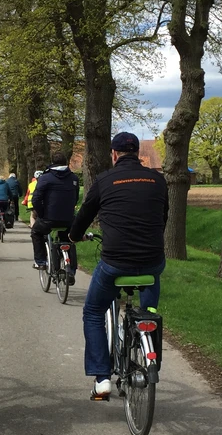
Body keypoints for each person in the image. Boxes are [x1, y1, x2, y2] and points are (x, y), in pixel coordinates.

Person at [69, 132, 168, 398]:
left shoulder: (104, 180)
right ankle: (150, 336)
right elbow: (163, 218)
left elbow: (84, 215)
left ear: (113, 154)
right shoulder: (158, 180)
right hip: (152, 260)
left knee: (92, 312)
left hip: (115, 262)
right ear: (138, 154)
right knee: (150, 307)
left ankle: (102, 378)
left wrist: (74, 236)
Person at [31, 153, 79, 283]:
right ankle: (71, 269)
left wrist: (41, 214)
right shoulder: (74, 177)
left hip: (48, 218)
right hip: (68, 219)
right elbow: (76, 198)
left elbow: (36, 199)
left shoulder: (45, 178)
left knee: (36, 232)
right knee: (69, 239)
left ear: (52, 162)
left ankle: (41, 261)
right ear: (66, 162)